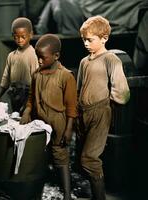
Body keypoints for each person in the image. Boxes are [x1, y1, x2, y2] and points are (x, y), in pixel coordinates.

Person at [76, 16, 130, 200]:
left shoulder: (111, 59)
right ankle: (91, 193)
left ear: (104, 38)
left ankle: (100, 197)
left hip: (100, 112)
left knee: (89, 158)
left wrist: (110, 102)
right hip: (83, 112)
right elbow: (79, 87)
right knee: (80, 157)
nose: (86, 43)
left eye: (90, 40)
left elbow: (122, 90)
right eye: (83, 40)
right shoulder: (84, 62)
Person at [20, 34, 78, 200]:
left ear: (56, 56)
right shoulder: (36, 75)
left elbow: (72, 107)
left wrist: (68, 129)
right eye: (37, 57)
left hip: (59, 123)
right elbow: (31, 98)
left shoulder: (66, 76)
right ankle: (36, 191)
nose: (39, 61)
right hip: (39, 122)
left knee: (60, 155)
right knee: (38, 156)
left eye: (43, 58)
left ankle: (67, 194)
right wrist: (26, 112)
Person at [0, 17, 39, 114]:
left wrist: (29, 104)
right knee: (15, 117)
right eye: (16, 37)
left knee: (26, 118)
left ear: (31, 35)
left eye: (23, 36)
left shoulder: (33, 55)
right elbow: (5, 79)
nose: (19, 40)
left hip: (28, 94)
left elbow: (36, 82)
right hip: (14, 94)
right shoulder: (11, 56)